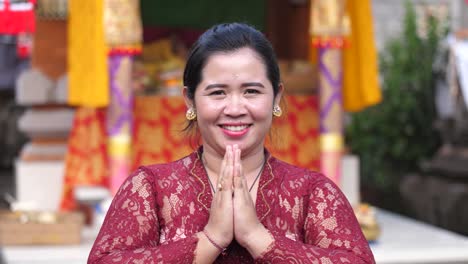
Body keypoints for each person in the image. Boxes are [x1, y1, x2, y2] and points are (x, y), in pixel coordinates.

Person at [88, 22, 375, 263]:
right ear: (190, 100)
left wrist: (260, 239)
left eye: (251, 91)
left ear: (276, 97)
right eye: (217, 93)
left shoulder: (313, 194)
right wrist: (209, 240)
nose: (235, 108)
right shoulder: (150, 189)